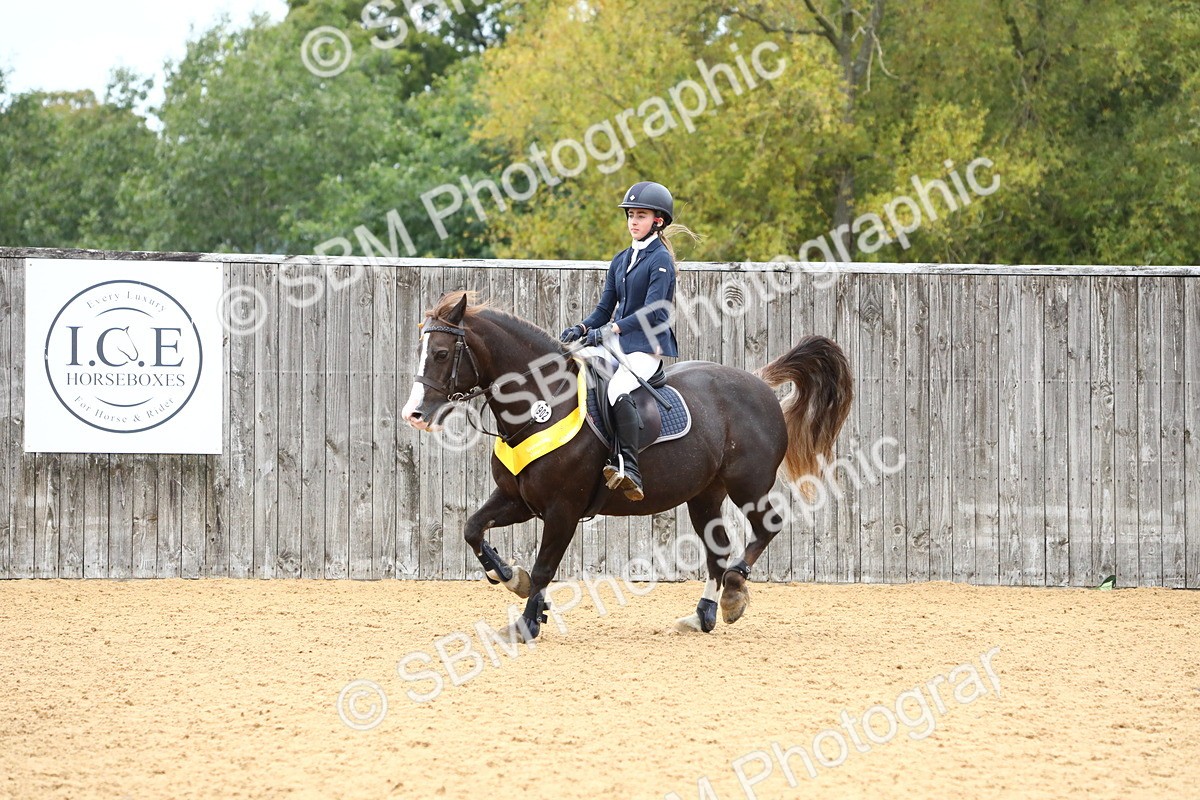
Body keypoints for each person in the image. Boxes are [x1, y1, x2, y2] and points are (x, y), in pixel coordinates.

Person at [560, 180, 694, 501]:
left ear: (658, 221)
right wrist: (581, 328)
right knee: (575, 368)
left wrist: (610, 331)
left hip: (647, 345)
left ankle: (630, 466)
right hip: (619, 340)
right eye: (630, 215)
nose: (633, 221)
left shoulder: (659, 260)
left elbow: (653, 312)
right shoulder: (621, 259)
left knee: (618, 387)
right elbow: (604, 309)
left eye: (641, 216)